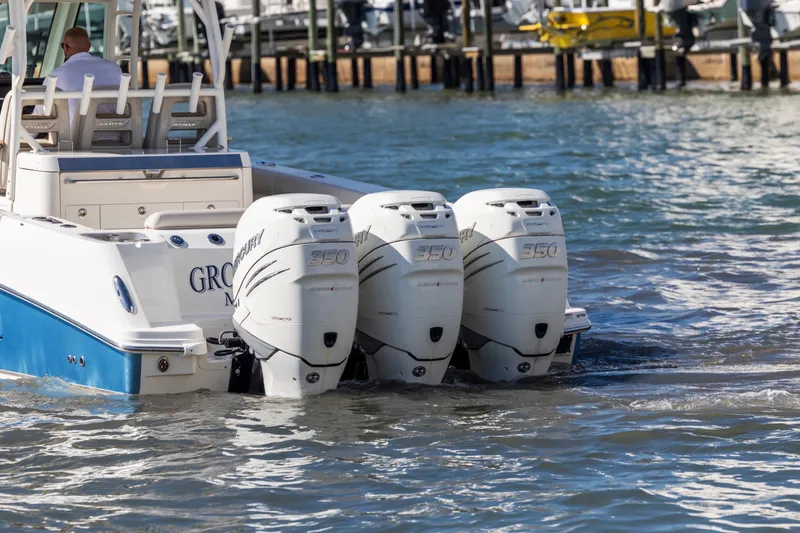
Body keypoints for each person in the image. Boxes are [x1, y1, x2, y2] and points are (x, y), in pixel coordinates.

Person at [37, 27, 122, 126]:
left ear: (66, 48)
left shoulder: (56, 75)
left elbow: (40, 114)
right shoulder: (114, 68)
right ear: (89, 46)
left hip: (74, 135)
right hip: (116, 132)